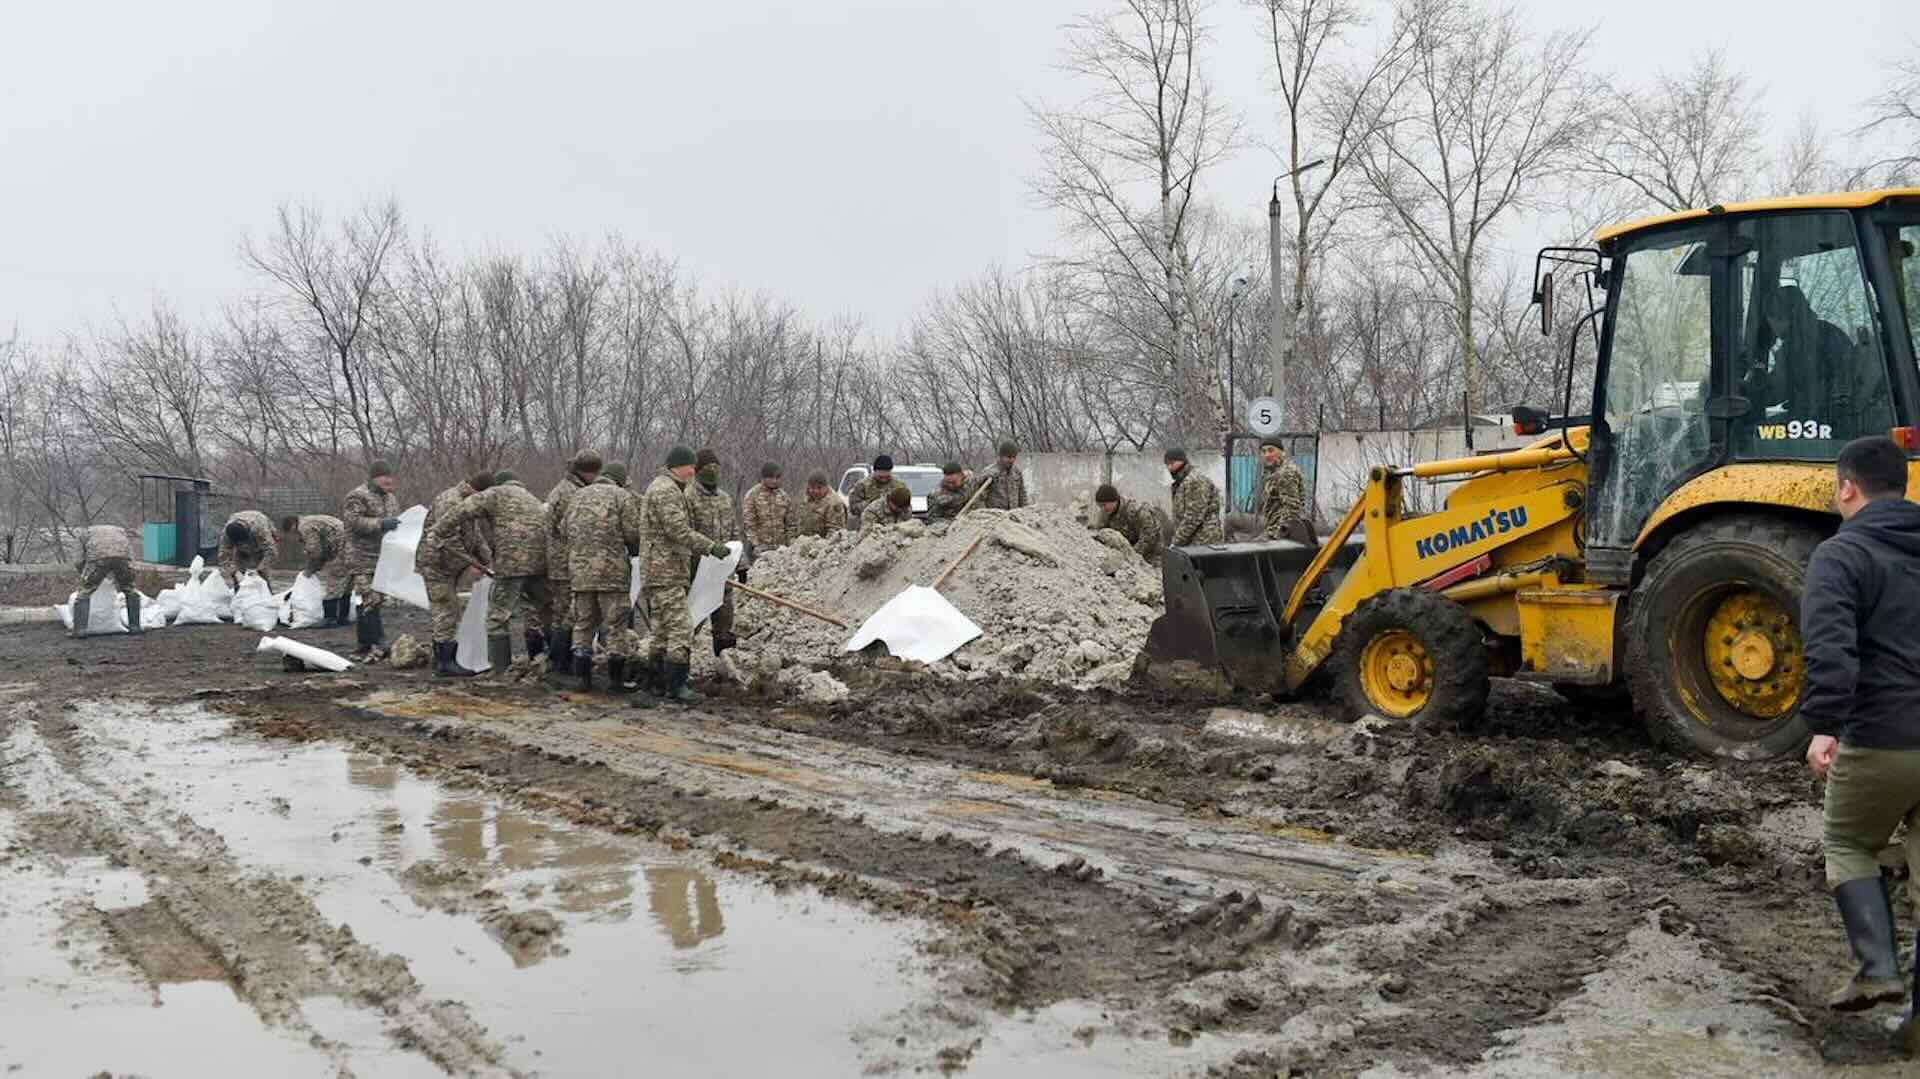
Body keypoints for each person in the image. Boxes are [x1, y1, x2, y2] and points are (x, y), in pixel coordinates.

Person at [1801, 435, 1920, 1039]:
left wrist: (1825, 725)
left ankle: (1877, 969)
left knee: (1848, 841)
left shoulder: (1841, 556)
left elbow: (1830, 650)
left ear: (1848, 488)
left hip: (1882, 735)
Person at [432, 468, 550, 674]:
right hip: (540, 564)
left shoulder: (495, 493)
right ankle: (552, 661)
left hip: (512, 565)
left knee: (497, 617)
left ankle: (499, 670)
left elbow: (464, 509)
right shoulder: (533, 499)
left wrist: (438, 530)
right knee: (544, 610)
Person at [642, 446, 728, 703]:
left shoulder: (662, 487)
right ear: (678, 465)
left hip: (660, 569)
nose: (693, 471)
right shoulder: (666, 490)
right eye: (690, 466)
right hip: (665, 570)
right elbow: (677, 530)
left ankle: (655, 682)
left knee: (661, 630)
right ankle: (677, 686)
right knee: (681, 628)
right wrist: (710, 546)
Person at [563, 463, 644, 694]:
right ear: (620, 480)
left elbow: (564, 529)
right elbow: (632, 533)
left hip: (580, 573)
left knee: (583, 623)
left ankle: (583, 679)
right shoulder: (621, 496)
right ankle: (615, 682)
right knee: (616, 625)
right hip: (612, 573)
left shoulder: (576, 496)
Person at [417, 471, 493, 677]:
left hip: (448, 565)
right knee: (445, 610)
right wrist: (469, 565)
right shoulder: (450, 502)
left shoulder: (467, 501)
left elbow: (474, 536)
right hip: (437, 565)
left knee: (449, 610)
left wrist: (488, 560)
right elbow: (448, 541)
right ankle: (445, 663)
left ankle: (443, 657)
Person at [543, 449, 604, 667]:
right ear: (587, 472)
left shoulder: (568, 488)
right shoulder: (570, 493)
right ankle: (560, 662)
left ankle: (559, 661)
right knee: (568, 612)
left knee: (565, 611)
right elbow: (570, 528)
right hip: (566, 561)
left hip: (564, 559)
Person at [342, 460, 402, 660]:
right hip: (360, 556)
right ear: (373, 478)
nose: (388, 480)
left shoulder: (391, 498)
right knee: (369, 598)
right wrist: (381, 523)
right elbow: (353, 522)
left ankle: (365, 644)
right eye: (383, 476)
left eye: (389, 476)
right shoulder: (357, 496)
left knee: (374, 600)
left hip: (382, 557)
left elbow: (397, 520)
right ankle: (377, 642)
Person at [688, 449, 741, 657]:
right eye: (708, 469)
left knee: (724, 616)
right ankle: (680, 663)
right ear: (697, 470)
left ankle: (723, 660)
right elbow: (686, 533)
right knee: (693, 616)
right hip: (697, 569)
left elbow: (734, 531)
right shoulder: (688, 497)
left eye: (716, 469)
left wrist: (741, 563)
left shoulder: (724, 498)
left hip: (722, 569)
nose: (713, 473)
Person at [278, 513, 351, 626]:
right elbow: (322, 550)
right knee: (345, 584)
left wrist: (310, 570)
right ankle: (343, 617)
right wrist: (315, 567)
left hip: (343, 548)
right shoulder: (309, 522)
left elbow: (315, 551)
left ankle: (330, 618)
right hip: (348, 546)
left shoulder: (304, 527)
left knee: (334, 579)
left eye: (291, 533)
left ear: (292, 525)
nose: (293, 536)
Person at [71, 523, 140, 637]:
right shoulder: (119, 530)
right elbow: (130, 554)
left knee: (84, 592)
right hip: (123, 556)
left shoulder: (82, 534)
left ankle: (79, 631)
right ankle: (135, 627)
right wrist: (127, 569)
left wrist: (85, 576)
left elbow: (78, 560)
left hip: (99, 557)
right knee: (130, 589)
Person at [1092, 484, 1166, 567]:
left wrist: (1131, 556)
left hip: (1152, 556)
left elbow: (1149, 536)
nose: (1102, 509)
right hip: (1131, 552)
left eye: (1104, 505)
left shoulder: (1137, 510)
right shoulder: (1106, 513)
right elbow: (1101, 533)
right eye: (1100, 506)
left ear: (1114, 500)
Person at [1165, 447, 1223, 547]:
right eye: (1167, 464)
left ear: (1182, 461)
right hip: (1193, 541)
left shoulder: (1194, 481)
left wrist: (1176, 542)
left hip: (1203, 542)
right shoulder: (1181, 482)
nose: (1169, 468)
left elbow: (1193, 517)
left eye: (1172, 463)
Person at [743, 462, 798, 556]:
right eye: (771, 478)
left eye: (777, 478)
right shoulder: (753, 495)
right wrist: (756, 545)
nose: (774, 481)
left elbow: (790, 524)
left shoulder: (784, 496)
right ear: (763, 478)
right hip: (759, 549)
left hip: (781, 549)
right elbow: (749, 524)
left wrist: (791, 545)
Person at [1259, 438, 1309, 541]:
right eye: (1263, 452)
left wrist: (1277, 536)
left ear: (1281, 452)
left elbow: (1292, 508)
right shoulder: (1274, 472)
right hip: (1274, 529)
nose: (1267, 455)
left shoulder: (1286, 473)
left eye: (1271, 450)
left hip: (1282, 534)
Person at [218, 509, 279, 588]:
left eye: (244, 543)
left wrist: (260, 569)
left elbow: (272, 551)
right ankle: (239, 594)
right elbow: (223, 556)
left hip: (259, 542)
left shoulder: (260, 528)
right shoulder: (226, 534)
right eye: (240, 544)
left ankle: (266, 593)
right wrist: (234, 572)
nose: (244, 546)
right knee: (237, 575)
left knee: (262, 574)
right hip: (242, 546)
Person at [846, 455, 907, 528]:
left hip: (894, 526)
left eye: (887, 472)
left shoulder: (899, 486)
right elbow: (853, 508)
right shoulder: (863, 485)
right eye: (881, 472)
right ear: (875, 471)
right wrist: (873, 504)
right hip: (868, 525)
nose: (884, 475)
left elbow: (906, 506)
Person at [970, 440, 1029, 511]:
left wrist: (1025, 511)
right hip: (996, 516)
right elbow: (979, 497)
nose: (1011, 460)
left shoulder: (1017, 472)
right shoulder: (990, 472)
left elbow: (1022, 494)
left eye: (1014, 457)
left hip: (1013, 514)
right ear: (1001, 456)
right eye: (1009, 457)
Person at [796, 471, 848, 536]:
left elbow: (835, 534)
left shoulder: (834, 504)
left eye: (819, 488)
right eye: (812, 488)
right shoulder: (806, 499)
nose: (815, 491)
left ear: (826, 487)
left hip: (823, 544)